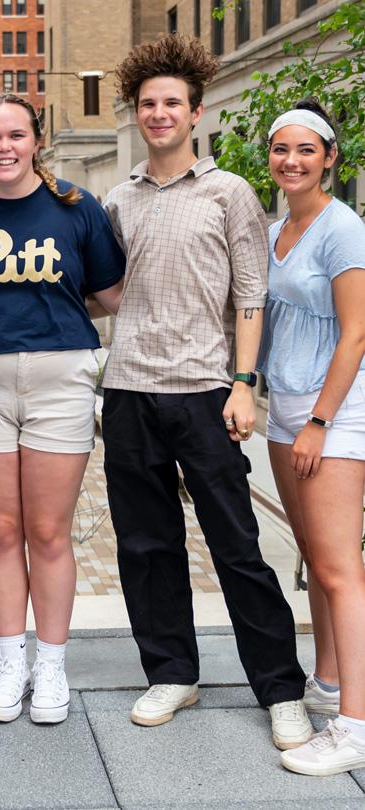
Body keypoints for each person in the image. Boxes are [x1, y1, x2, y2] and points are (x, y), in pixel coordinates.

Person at [100, 35, 312, 749]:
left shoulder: (229, 193)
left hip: (205, 391)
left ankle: (280, 688)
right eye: (147, 103)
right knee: (145, 545)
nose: (158, 113)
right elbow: (105, 293)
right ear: (135, 113)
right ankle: (171, 673)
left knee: (237, 546)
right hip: (127, 390)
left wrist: (242, 384)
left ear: (193, 113)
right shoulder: (116, 198)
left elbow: (250, 294)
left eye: (171, 103)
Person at [0, 94, 125, 725]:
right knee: (0, 532)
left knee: (48, 532)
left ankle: (51, 662)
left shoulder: (77, 208)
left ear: (36, 140)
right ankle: (9, 659)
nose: (4, 148)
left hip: (59, 379)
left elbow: (109, 295)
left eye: (16, 135)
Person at [256, 100, 365, 776]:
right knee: (312, 559)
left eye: (305, 149)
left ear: (328, 157)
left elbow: (356, 332)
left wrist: (320, 422)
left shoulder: (342, 228)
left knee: (337, 569)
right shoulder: (274, 232)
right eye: (279, 149)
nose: (290, 160)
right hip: (282, 408)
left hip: (335, 413)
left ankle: (354, 724)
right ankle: (326, 686)